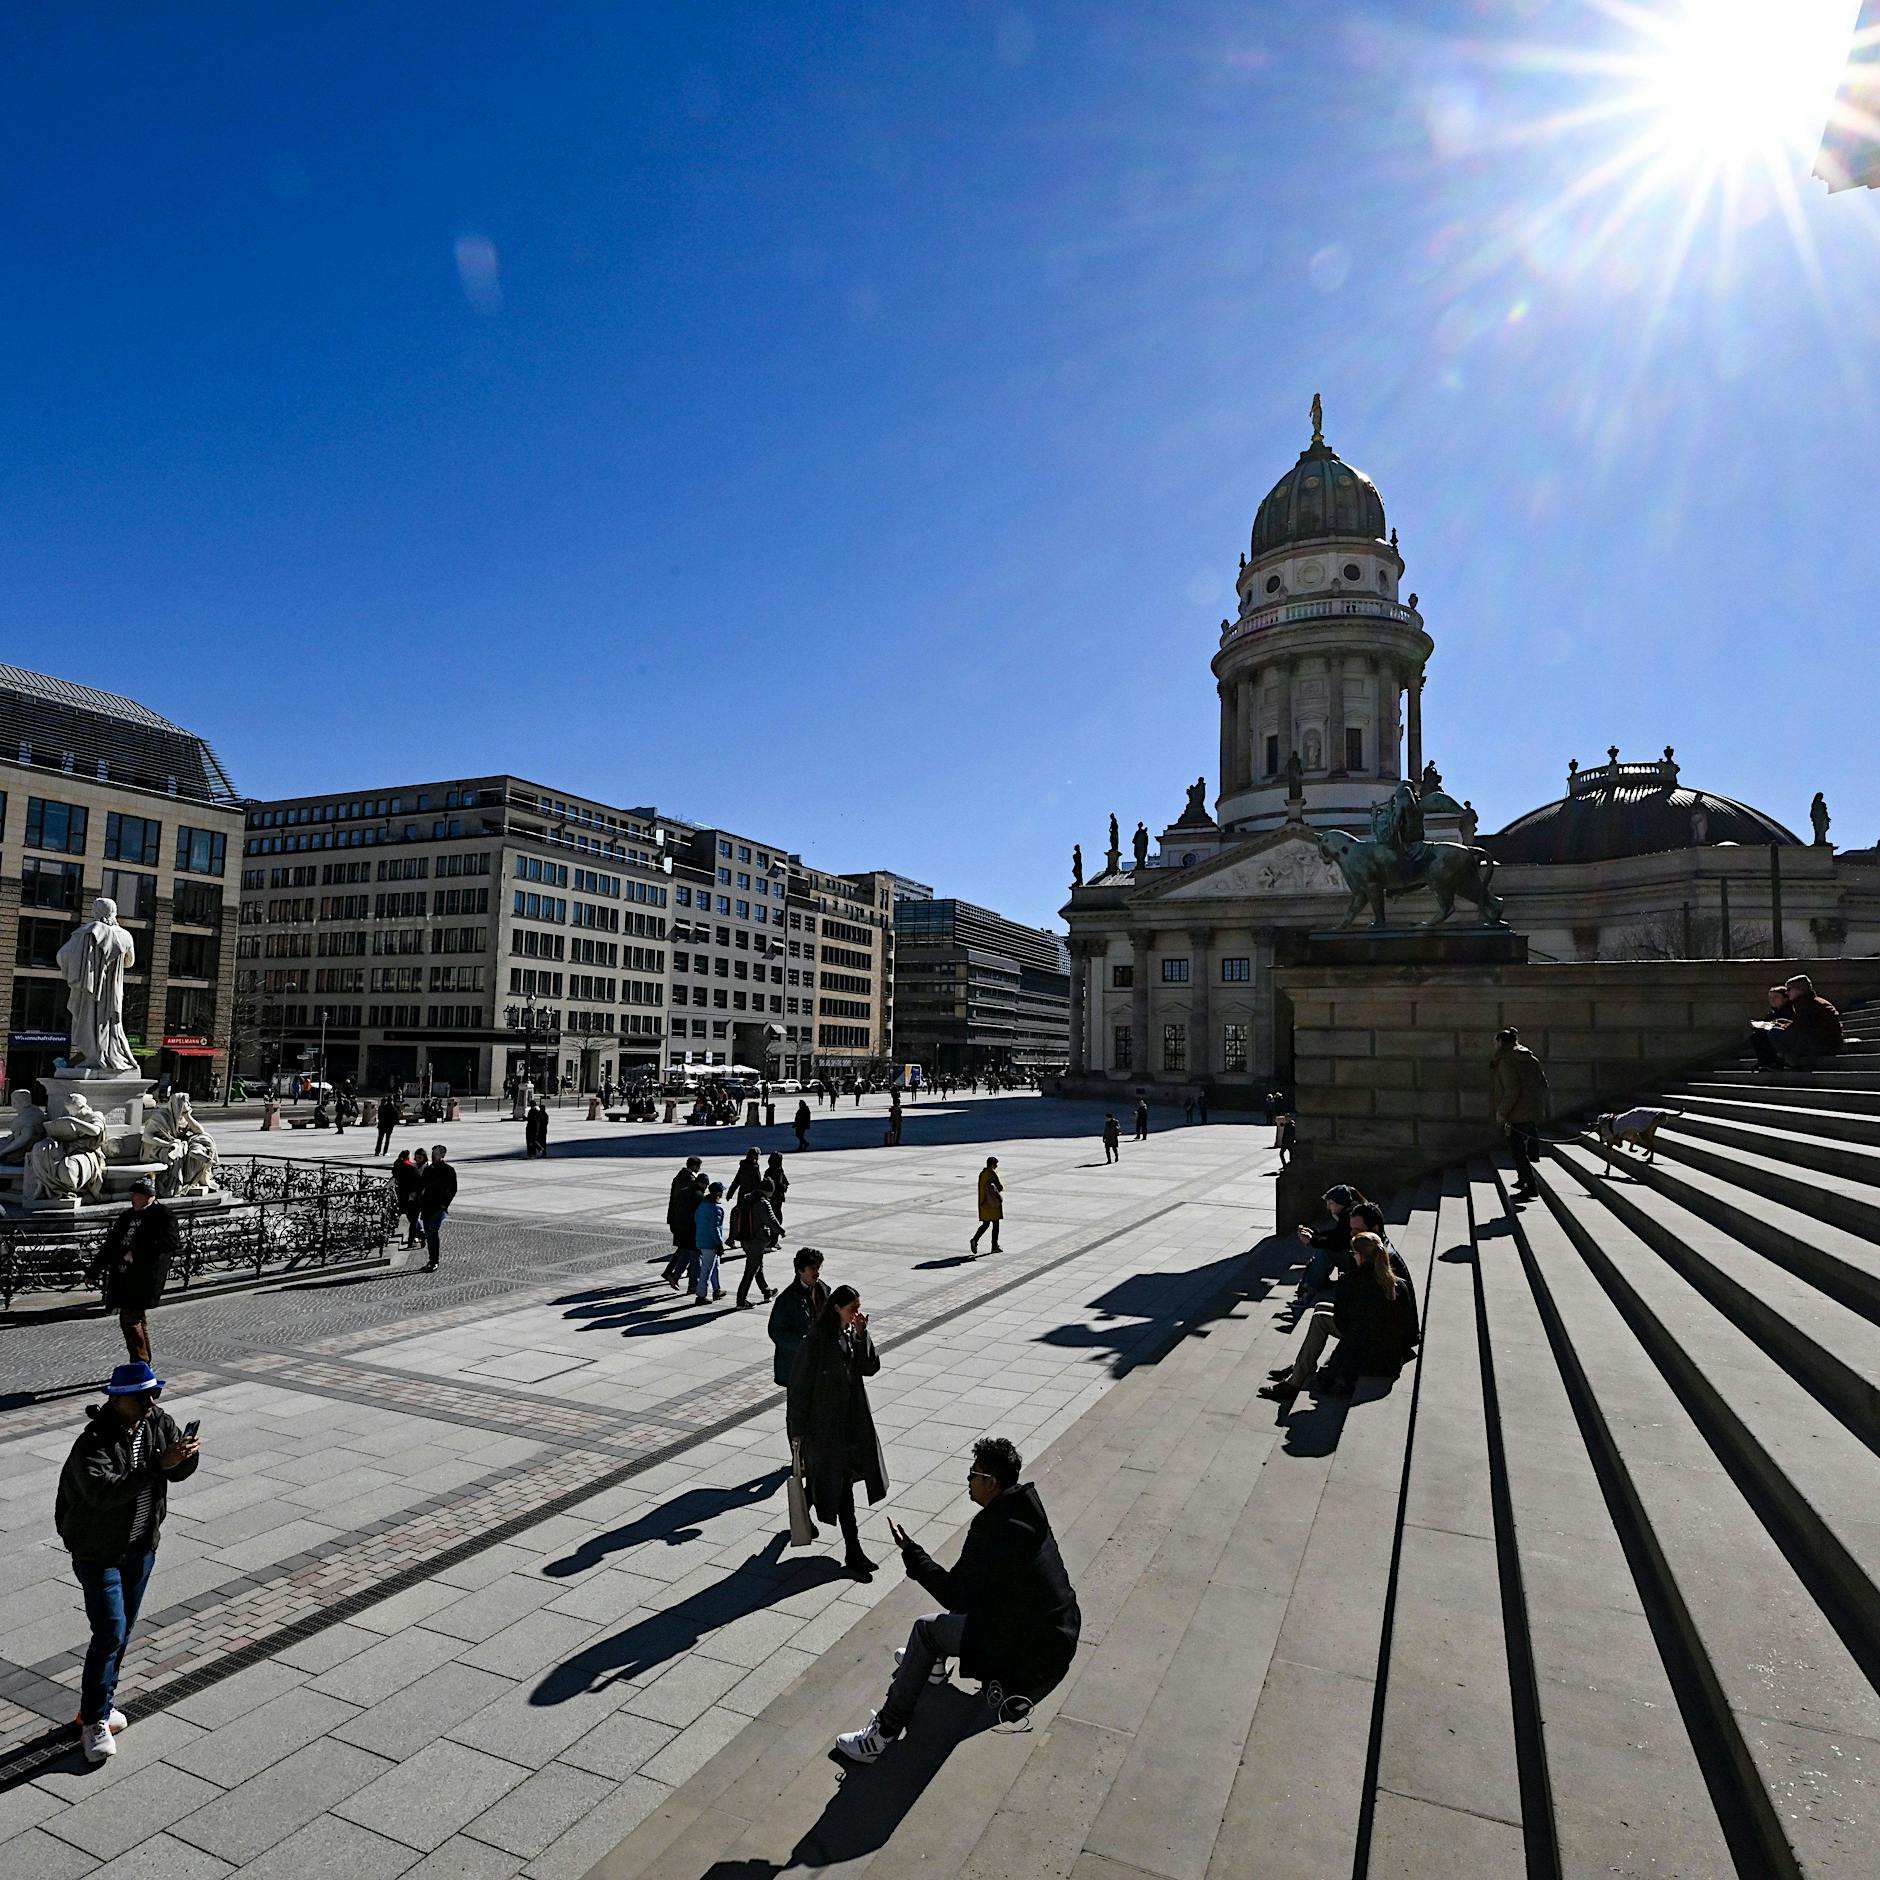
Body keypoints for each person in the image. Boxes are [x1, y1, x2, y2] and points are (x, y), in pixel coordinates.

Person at [835, 1435, 1081, 1765]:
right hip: (1056, 1634)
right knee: (965, 1597)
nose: (968, 1480)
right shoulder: (1023, 1510)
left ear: (991, 1483)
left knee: (924, 1629)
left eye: (973, 1474)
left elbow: (955, 1594)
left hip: (1031, 1653)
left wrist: (913, 1554)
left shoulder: (993, 1529)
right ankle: (930, 1663)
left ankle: (882, 1733)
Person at [56, 1361, 201, 1763]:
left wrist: (185, 1457)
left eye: (154, 1394)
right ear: (118, 1400)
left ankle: (97, 1706)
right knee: (110, 1632)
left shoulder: (159, 1421)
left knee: (120, 1632)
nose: (151, 1402)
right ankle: (94, 1722)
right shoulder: (93, 1443)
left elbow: (176, 1473)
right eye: (142, 1396)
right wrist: (159, 1464)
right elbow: (102, 1493)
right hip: (97, 1552)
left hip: (140, 1547)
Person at [1263, 1208, 1415, 1401]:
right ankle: (1303, 1367)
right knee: (1321, 1309)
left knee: (1320, 1318)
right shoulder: (1396, 1280)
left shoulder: (1353, 1281)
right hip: (1389, 1349)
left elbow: (1345, 1324)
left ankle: (1295, 1381)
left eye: (1353, 1252)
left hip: (1371, 1349)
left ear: (1359, 1255)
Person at [788, 1284, 887, 1577]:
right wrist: (797, 1434)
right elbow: (799, 1389)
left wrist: (861, 1336)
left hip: (850, 1426)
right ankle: (853, 1552)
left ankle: (807, 1502)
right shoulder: (816, 1341)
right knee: (842, 1490)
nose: (857, 1313)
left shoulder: (848, 1335)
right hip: (825, 1431)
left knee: (833, 1481)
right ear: (835, 1308)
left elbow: (869, 1368)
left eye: (858, 1307)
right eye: (851, 1308)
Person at [84, 1178, 178, 1363]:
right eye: (132, 1194)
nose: (132, 1198)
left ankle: (139, 1363)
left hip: (143, 1276)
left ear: (149, 1197)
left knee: (129, 1319)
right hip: (123, 1276)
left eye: (137, 1194)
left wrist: (138, 1253)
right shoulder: (127, 1216)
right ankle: (144, 1362)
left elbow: (171, 1242)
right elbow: (110, 1246)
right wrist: (93, 1271)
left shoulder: (162, 1215)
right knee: (137, 1319)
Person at [1490, 1027, 1550, 1200]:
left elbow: (1512, 1089)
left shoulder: (1506, 1061)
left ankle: (1530, 1187)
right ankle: (1522, 1178)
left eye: (1496, 1042)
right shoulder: (1530, 1058)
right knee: (1520, 1147)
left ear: (1501, 1042)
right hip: (1531, 1109)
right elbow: (1543, 1083)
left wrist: (1502, 1111)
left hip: (1515, 1111)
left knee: (1517, 1150)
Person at [1753, 973, 1843, 1072]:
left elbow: (1801, 1028)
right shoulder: (1811, 1001)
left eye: (1789, 989)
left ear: (1799, 989)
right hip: (1827, 1042)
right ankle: (1786, 1061)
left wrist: (1783, 1027)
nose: (1787, 993)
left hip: (1823, 1045)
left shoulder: (1805, 1004)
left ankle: (1791, 1062)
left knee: (1774, 1033)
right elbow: (1804, 1025)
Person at [1295, 1183, 1364, 1301]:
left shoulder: (1348, 1215)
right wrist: (1315, 1234)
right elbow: (1337, 1235)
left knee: (1325, 1253)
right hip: (1357, 1255)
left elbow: (1337, 1243)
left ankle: (1309, 1290)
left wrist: (1312, 1241)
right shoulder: (1350, 1210)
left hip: (1357, 1259)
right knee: (1323, 1252)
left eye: (1330, 1203)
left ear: (1340, 1203)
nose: (1328, 1207)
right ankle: (1311, 1284)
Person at [735, 1178, 781, 1309]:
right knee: (751, 1270)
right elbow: (771, 1220)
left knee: (757, 1266)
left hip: (745, 1239)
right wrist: (780, 1230)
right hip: (756, 1240)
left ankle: (767, 1292)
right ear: (769, 1190)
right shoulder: (762, 1203)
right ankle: (741, 1300)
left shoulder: (747, 1198)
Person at [663, 1156, 704, 1286]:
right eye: (698, 1166)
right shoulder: (690, 1181)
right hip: (684, 1220)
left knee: (685, 1247)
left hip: (677, 1217)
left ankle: (673, 1272)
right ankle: (674, 1273)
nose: (699, 1169)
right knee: (687, 1248)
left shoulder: (679, 1177)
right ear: (693, 1166)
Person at [418, 1145, 457, 1270]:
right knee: (430, 1234)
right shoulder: (429, 1169)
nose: (433, 1155)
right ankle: (432, 1259)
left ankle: (434, 1261)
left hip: (438, 1207)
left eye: (436, 1153)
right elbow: (422, 1185)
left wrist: (444, 1204)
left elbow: (453, 1189)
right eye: (433, 1153)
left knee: (432, 1232)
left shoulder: (448, 1170)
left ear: (442, 1155)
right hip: (427, 1206)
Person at [694, 1180, 728, 1304]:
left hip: (701, 1240)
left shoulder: (703, 1205)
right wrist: (719, 1243)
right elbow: (715, 1228)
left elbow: (696, 1219)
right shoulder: (716, 1208)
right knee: (707, 1269)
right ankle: (701, 1295)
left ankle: (717, 1289)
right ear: (718, 1193)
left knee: (715, 1266)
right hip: (710, 1243)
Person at [726, 1147, 763, 1244]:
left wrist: (730, 1193)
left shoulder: (743, 1165)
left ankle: (731, 1238)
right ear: (754, 1155)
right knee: (748, 1218)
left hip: (742, 1195)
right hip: (751, 1197)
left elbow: (736, 1180)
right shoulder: (754, 1167)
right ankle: (745, 1237)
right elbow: (758, 1183)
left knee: (737, 1215)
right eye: (758, 1154)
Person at [970, 1156, 1004, 1257]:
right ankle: (994, 1246)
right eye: (996, 1164)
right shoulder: (992, 1173)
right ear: (992, 1164)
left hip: (983, 1203)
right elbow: (1000, 1187)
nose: (996, 1166)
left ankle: (975, 1239)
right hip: (992, 1204)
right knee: (996, 1224)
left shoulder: (982, 1174)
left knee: (986, 1224)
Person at [390, 1150, 423, 1248]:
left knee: (411, 1218)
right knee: (414, 1220)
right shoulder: (412, 1168)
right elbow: (418, 1183)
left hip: (401, 1196)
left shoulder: (397, 1166)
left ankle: (419, 1233)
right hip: (412, 1197)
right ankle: (413, 1239)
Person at [765, 1152, 790, 1236]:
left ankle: (773, 1238)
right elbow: (780, 1185)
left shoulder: (770, 1170)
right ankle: (773, 1239)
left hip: (772, 1197)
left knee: (773, 1216)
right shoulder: (777, 1171)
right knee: (776, 1217)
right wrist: (783, 1187)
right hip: (775, 1197)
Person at [374, 1091, 402, 1157]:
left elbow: (379, 1116)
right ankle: (385, 1152)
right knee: (387, 1139)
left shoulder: (382, 1107)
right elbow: (397, 1117)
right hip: (389, 1126)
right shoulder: (393, 1109)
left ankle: (377, 1151)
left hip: (381, 1125)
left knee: (380, 1139)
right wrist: (393, 1123)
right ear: (392, 1101)